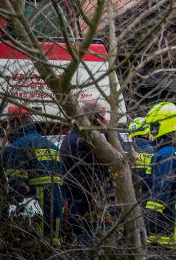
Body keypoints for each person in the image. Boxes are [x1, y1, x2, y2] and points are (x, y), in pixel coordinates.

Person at [2, 104, 63, 245]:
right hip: (55, 221)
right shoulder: (52, 147)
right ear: (32, 120)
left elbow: (16, 191)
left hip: (32, 228)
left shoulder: (16, 148)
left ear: (9, 124)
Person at [60, 98, 113, 244]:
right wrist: (109, 132)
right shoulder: (85, 140)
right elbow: (117, 158)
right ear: (94, 117)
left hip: (79, 210)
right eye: (104, 114)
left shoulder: (72, 137)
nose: (107, 119)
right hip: (90, 212)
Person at [145, 102, 176, 245]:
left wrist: (146, 220)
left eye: (154, 126)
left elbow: (159, 193)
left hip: (167, 230)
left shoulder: (165, 155)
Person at [128, 117, 154, 184]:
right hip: (149, 192)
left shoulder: (125, 151)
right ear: (148, 134)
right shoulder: (155, 151)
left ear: (131, 136)